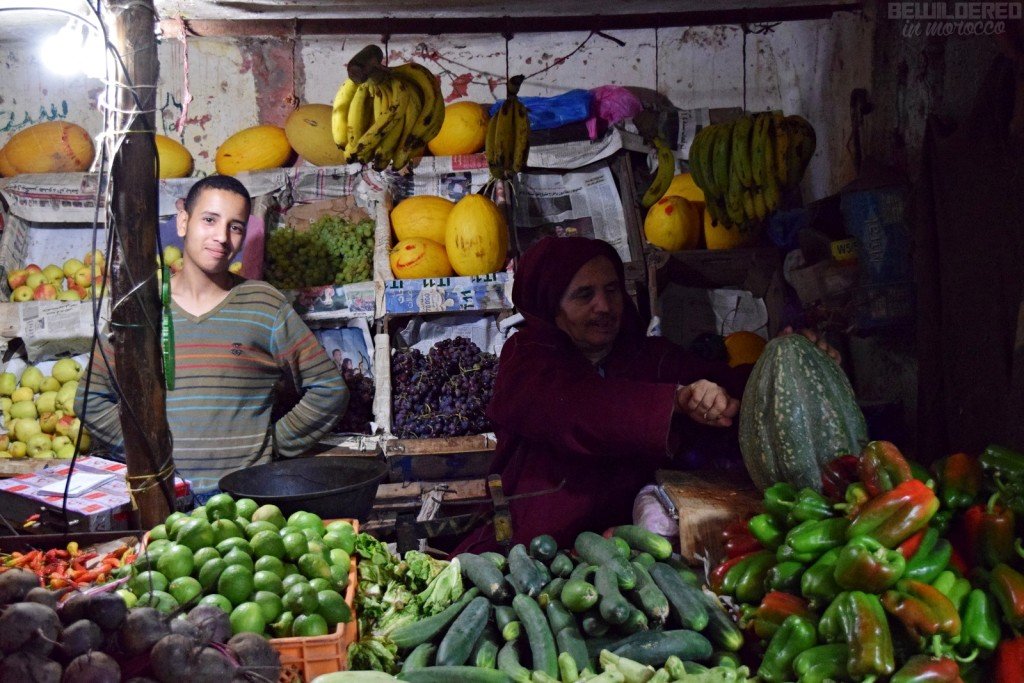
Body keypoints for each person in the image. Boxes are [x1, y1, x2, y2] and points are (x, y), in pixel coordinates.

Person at [455, 236, 838, 551]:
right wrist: (675, 401)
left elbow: (727, 384)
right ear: (551, 307)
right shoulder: (525, 360)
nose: (604, 306)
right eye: (584, 295)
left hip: (624, 549)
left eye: (611, 290)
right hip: (526, 551)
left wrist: (791, 360)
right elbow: (579, 409)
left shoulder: (646, 356)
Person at [76, 175, 350, 500]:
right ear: (183, 222)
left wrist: (273, 444)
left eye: (235, 227)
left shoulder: (264, 304)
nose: (221, 237)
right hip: (162, 501)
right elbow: (90, 399)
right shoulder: (142, 306)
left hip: (244, 502)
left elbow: (329, 390)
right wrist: (141, 447)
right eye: (209, 220)